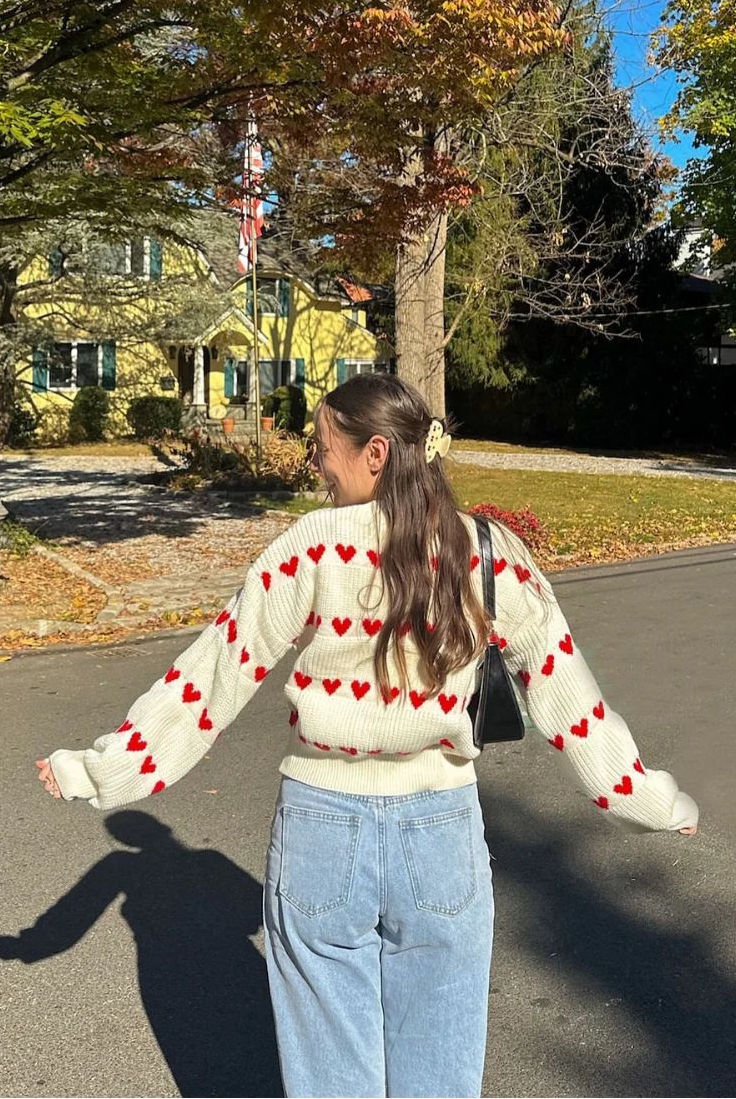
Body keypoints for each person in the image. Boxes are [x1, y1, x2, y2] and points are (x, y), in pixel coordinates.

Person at [38, 374, 698, 1099]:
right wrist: (649, 801)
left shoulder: (308, 548)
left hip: (322, 825)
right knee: (439, 1079)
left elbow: (213, 677)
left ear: (376, 452)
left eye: (322, 448)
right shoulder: (486, 549)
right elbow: (569, 698)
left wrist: (100, 771)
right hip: (441, 829)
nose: (314, 464)